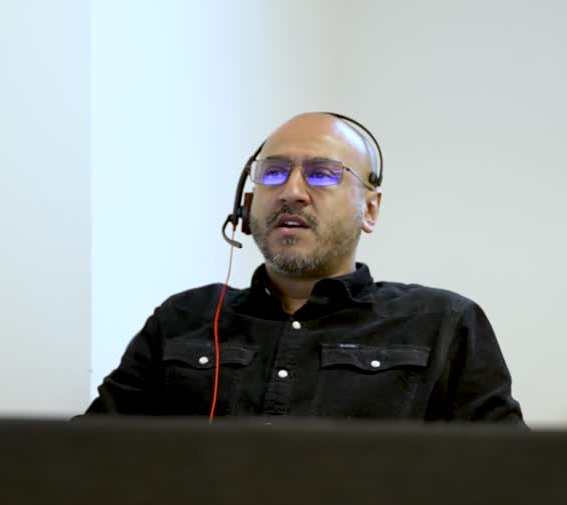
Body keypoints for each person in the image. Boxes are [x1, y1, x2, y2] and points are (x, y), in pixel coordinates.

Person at [84, 112, 524, 423]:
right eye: (273, 173)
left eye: (323, 174)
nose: (292, 191)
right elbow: (88, 456)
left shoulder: (443, 323)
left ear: (370, 210)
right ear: (248, 205)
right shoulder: (182, 320)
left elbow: (505, 479)